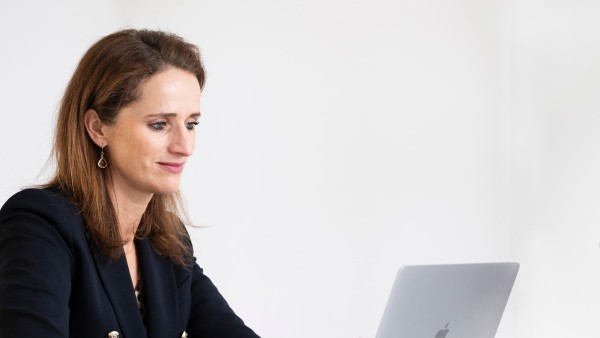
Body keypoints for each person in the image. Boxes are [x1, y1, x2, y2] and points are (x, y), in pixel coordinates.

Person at [0, 29, 260, 338]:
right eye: (159, 124)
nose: (185, 146)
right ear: (98, 128)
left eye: (191, 124)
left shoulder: (168, 242)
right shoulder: (39, 223)